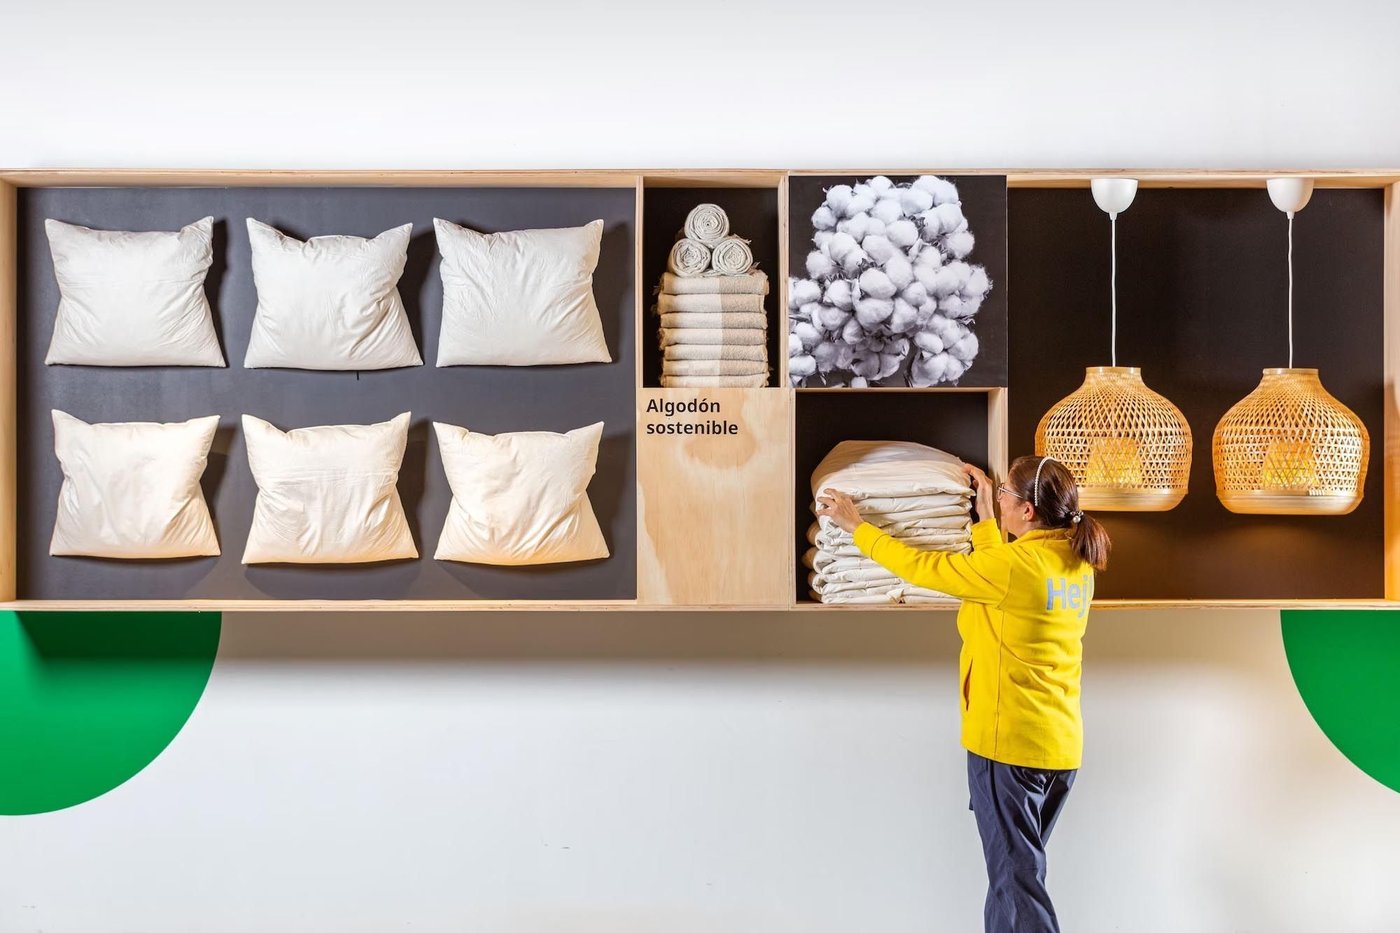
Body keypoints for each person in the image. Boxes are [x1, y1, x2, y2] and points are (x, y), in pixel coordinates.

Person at [816, 455, 1110, 933]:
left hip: (1007, 746)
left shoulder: (1012, 567)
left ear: (1029, 512)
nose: (999, 500)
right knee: (1010, 880)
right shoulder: (1076, 564)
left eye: (1006, 496)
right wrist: (988, 523)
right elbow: (1002, 577)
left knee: (1017, 882)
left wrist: (858, 528)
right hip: (1058, 749)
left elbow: (924, 567)